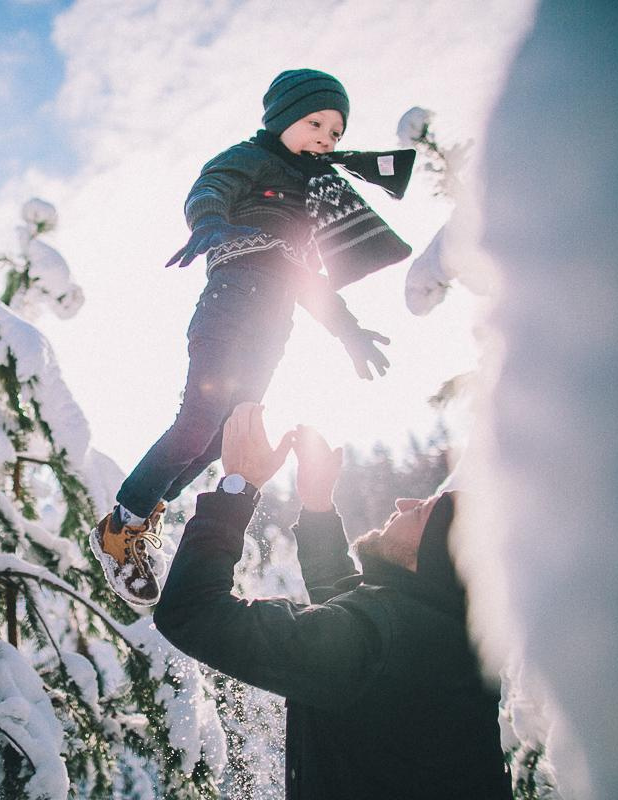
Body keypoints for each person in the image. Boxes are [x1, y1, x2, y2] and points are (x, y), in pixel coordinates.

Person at [90, 69, 415, 606]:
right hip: (230, 305)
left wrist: (349, 331)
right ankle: (120, 526)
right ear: (284, 117)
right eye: (315, 123)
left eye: (335, 133)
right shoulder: (251, 157)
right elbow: (209, 187)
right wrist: (210, 220)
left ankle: (148, 510)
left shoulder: (309, 195)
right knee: (199, 418)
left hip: (273, 326)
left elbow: (309, 279)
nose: (326, 139)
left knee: (227, 435)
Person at [153, 402, 511, 799]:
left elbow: (191, 611)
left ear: (434, 558)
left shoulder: (379, 639)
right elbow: (352, 628)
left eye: (424, 510)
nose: (404, 504)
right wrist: (318, 505)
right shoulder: (438, 634)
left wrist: (237, 487)